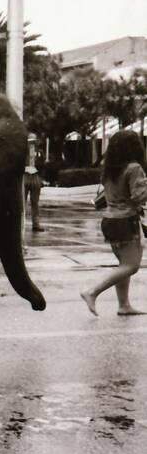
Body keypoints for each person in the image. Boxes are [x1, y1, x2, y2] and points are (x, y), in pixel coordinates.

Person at [80, 130, 147, 317]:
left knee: (123, 263)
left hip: (110, 220)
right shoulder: (134, 168)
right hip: (126, 220)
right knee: (131, 266)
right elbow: (138, 197)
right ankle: (92, 291)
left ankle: (124, 305)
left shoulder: (110, 169)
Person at [24, 143, 45, 232]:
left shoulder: (39, 152)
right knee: (22, 202)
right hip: (24, 175)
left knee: (35, 202)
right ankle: (20, 224)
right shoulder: (22, 151)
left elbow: (43, 164)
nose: (31, 144)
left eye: (33, 142)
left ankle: (36, 224)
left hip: (35, 175)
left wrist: (41, 178)